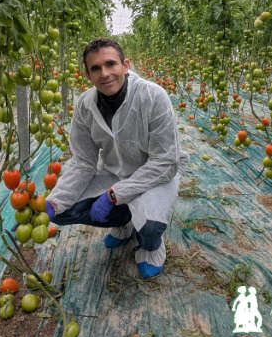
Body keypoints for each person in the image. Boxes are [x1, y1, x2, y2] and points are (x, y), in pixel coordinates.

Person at [44, 38, 188, 278]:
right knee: (63, 210)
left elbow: (165, 162)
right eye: (96, 68)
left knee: (151, 224)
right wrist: (53, 202)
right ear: (88, 75)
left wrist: (114, 195)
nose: (105, 73)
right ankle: (122, 223)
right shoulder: (85, 105)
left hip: (156, 175)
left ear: (126, 65)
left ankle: (151, 245)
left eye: (111, 64)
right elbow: (83, 162)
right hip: (115, 171)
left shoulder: (153, 96)